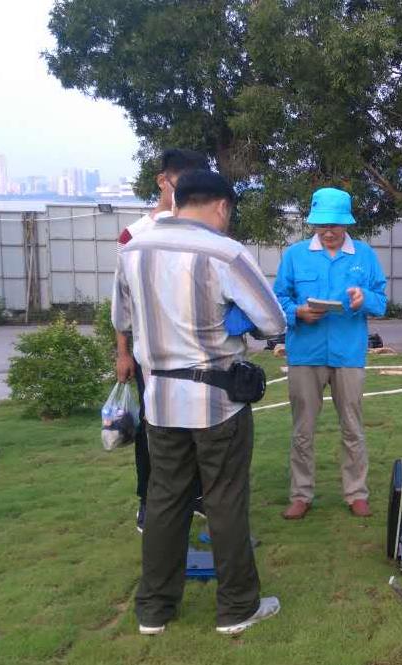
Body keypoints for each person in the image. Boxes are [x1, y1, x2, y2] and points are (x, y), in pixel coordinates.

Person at [112, 170, 286, 635]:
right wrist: (233, 320)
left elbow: (121, 317)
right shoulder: (224, 251)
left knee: (165, 500)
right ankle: (237, 609)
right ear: (222, 207)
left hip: (161, 400)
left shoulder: (132, 251)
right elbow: (272, 321)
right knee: (226, 500)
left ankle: (154, 610)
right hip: (218, 400)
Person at [274, 187, 387, 520]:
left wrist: (362, 298)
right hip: (305, 353)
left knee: (353, 426)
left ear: (347, 223)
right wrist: (297, 313)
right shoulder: (294, 255)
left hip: (348, 354)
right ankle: (301, 494)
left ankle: (356, 493)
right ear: (313, 223)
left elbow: (381, 301)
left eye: (335, 225)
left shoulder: (365, 256)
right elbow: (278, 299)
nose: (328, 231)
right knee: (302, 430)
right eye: (321, 224)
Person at [116, 148, 211, 533]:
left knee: (201, 425)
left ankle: (199, 496)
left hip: (196, 348)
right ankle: (148, 499)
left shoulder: (203, 231)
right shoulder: (135, 235)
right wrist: (123, 352)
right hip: (150, 353)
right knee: (151, 428)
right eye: (180, 184)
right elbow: (121, 300)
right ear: (162, 181)